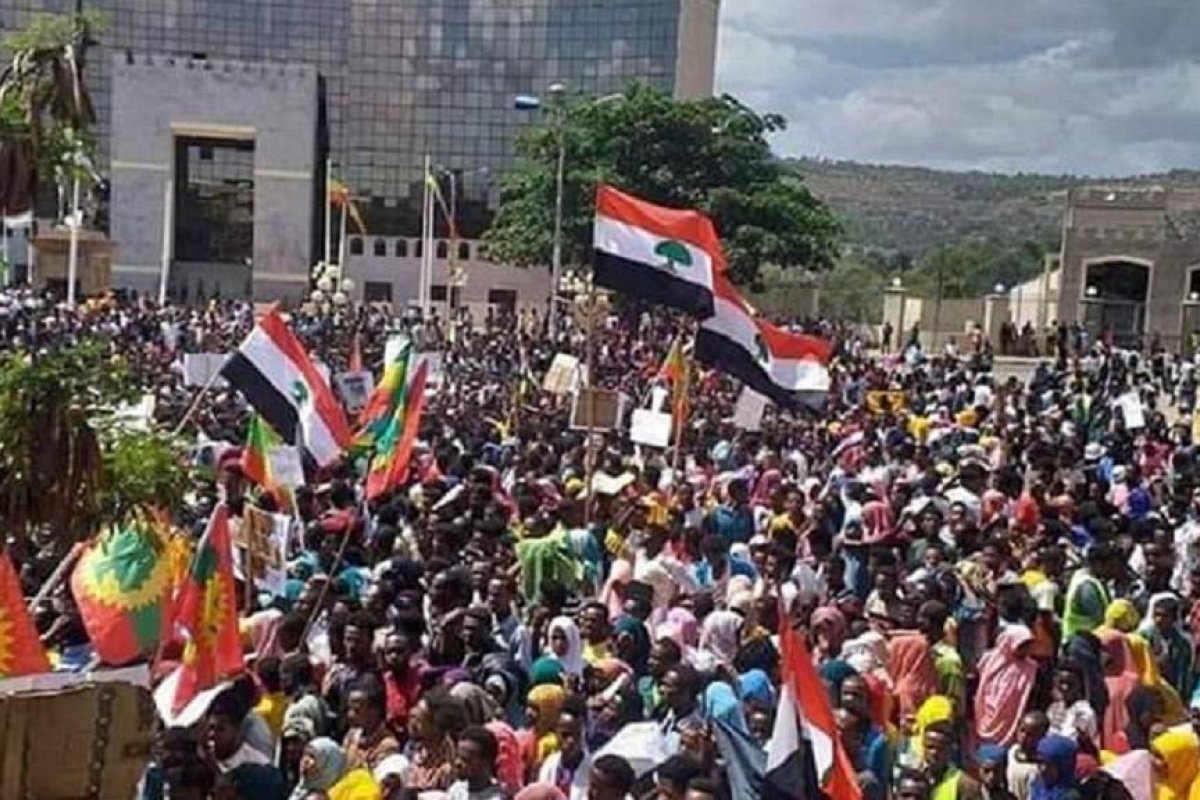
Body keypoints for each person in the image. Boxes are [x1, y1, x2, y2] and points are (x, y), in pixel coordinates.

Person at [536, 697, 591, 799]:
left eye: (577, 735)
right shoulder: (549, 765)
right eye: (565, 735)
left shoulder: (592, 773)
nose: (571, 741)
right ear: (556, 733)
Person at [448, 726, 506, 800]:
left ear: (485, 762)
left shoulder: (498, 797)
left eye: (466, 759)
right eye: (457, 756)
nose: (458, 763)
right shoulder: (456, 791)